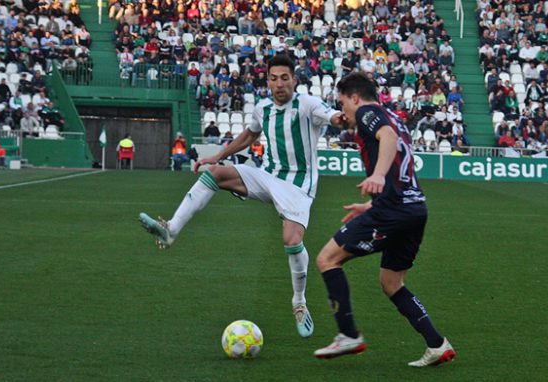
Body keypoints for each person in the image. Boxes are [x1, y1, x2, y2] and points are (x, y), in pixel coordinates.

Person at [139, 55, 345, 338]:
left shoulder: (307, 104)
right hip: (267, 175)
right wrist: (218, 155)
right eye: (274, 78)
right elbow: (249, 136)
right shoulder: (263, 108)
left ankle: (299, 302)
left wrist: (343, 117)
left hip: (298, 185)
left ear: (294, 80)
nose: (279, 83)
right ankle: (170, 229)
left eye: (285, 78)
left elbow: (332, 116)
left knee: (291, 240)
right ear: (268, 81)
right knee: (214, 172)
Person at [313, 72, 455, 367]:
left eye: (342, 103)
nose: (343, 113)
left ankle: (348, 334)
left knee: (327, 259)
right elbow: (398, 160)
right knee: (392, 282)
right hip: (414, 209)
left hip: (394, 212)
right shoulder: (393, 116)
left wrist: (377, 175)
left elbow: (387, 139)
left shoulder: (366, 112)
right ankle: (437, 344)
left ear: (354, 97)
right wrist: (370, 205)